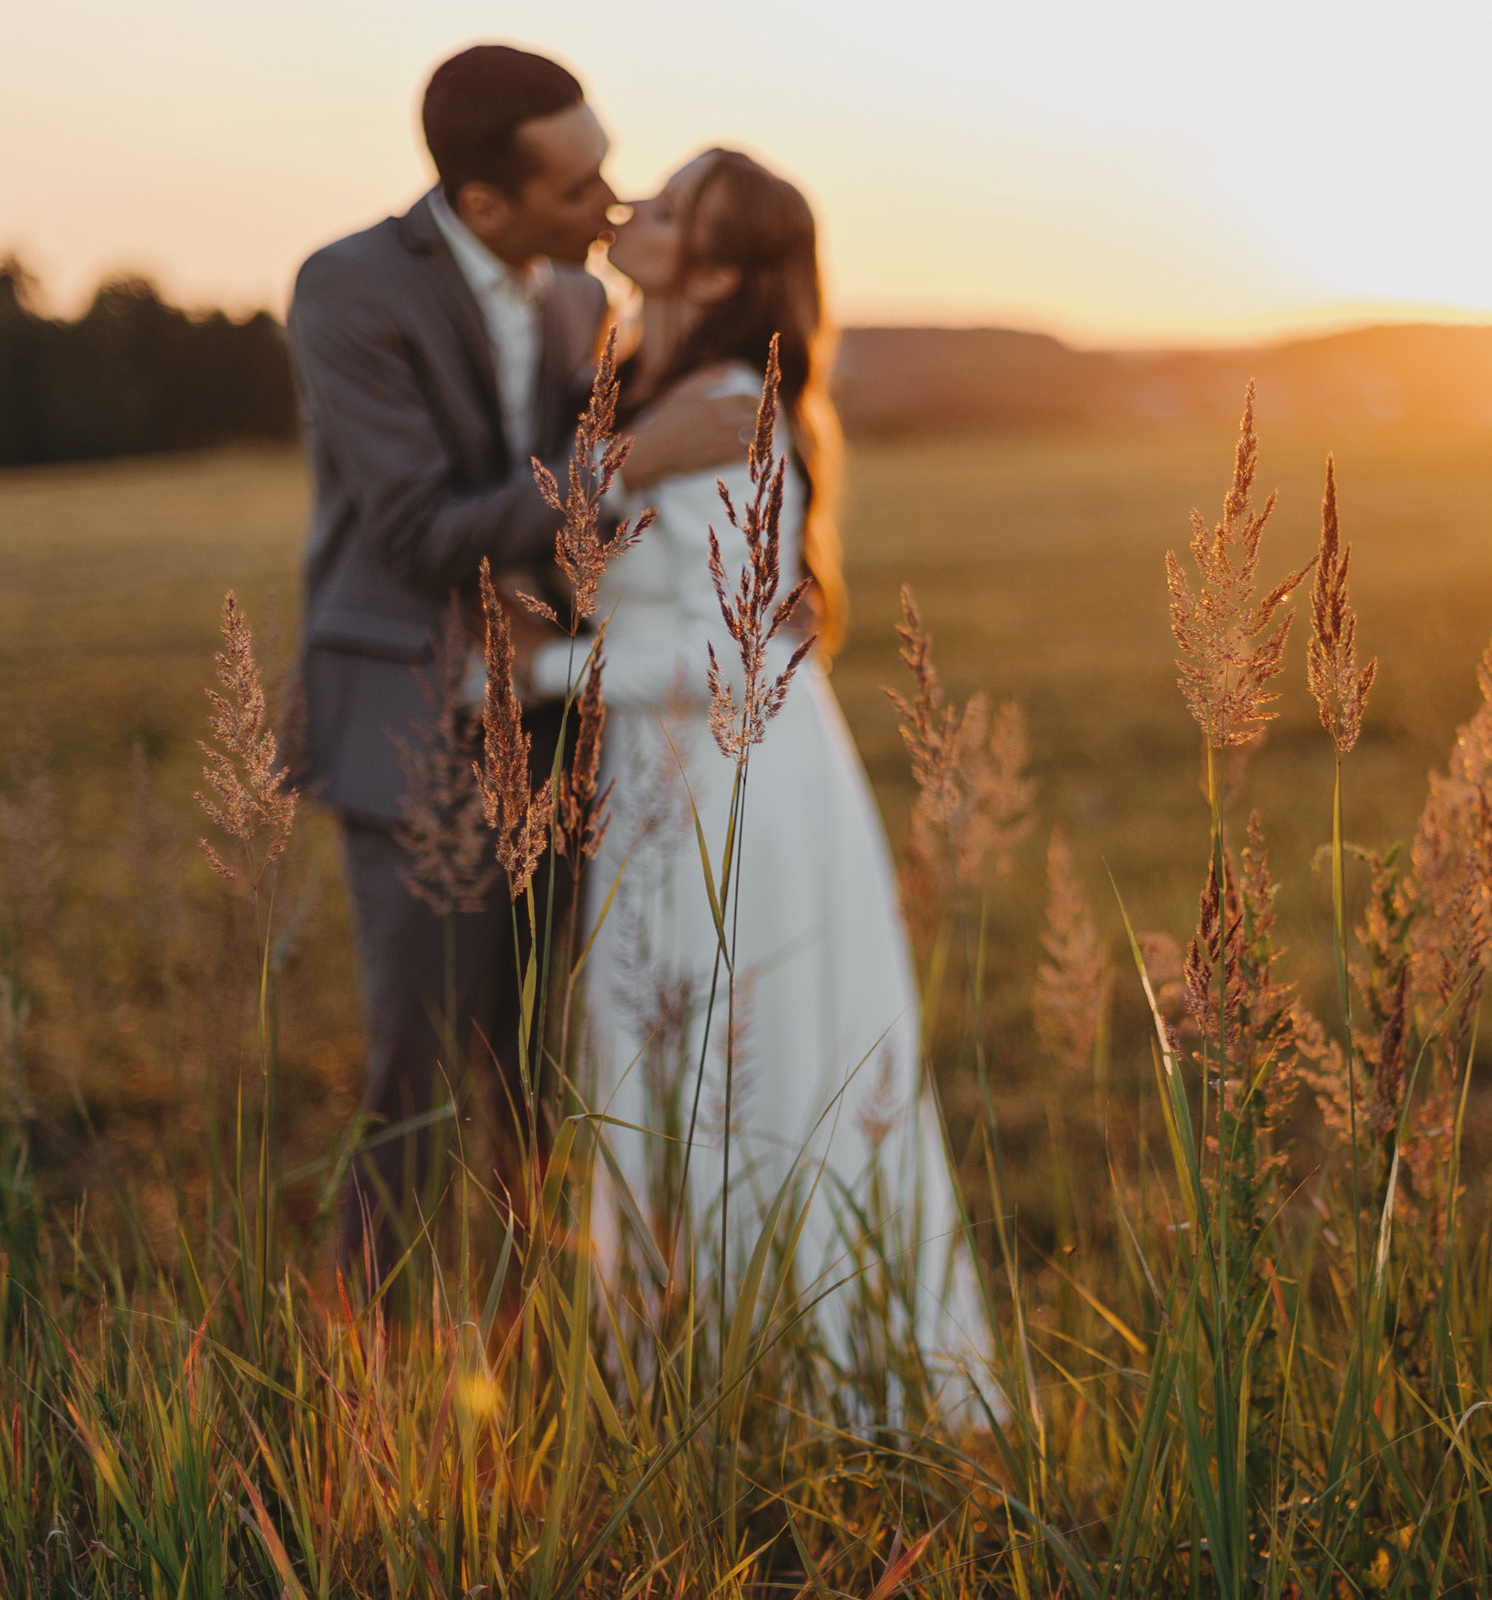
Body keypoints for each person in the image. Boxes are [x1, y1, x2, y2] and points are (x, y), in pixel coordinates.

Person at [286, 44, 755, 1284]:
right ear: (486, 203)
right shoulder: (347, 289)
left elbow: (557, 524)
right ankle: (372, 1365)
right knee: (424, 1058)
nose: (610, 205)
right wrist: (629, 464)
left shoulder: (573, 302)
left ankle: (531, 1333)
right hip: (407, 712)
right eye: (579, 188)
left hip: (559, 711)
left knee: (549, 1056)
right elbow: (417, 530)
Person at [525, 150, 985, 1382]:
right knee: (665, 1057)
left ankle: (794, 1377)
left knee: (745, 1062)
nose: (635, 211)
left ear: (720, 267)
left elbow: (736, 648)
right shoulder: (642, 378)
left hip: (734, 783)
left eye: (669, 209)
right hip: (661, 781)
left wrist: (529, 675)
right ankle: (685, 1365)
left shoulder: (730, 402)